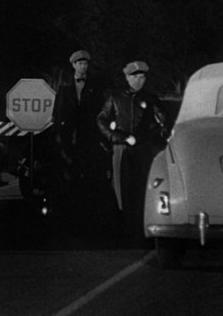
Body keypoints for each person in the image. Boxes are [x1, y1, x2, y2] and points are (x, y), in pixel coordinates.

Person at [96, 60, 166, 242]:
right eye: (135, 77)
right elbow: (101, 120)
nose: (139, 81)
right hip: (122, 148)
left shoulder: (150, 99)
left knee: (143, 186)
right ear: (127, 78)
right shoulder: (115, 98)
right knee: (121, 187)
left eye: (142, 77)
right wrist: (116, 137)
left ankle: (141, 228)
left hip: (143, 148)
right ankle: (124, 226)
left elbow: (163, 121)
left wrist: (152, 134)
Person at [52, 50, 108, 224]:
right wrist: (60, 135)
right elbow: (58, 112)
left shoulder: (95, 86)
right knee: (68, 171)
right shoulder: (65, 87)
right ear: (74, 65)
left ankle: (88, 211)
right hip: (69, 136)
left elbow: (100, 111)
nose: (83, 67)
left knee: (89, 172)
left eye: (85, 64)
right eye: (80, 63)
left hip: (89, 136)